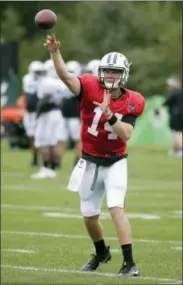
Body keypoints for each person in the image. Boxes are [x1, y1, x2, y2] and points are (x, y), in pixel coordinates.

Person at [44, 35, 145, 277]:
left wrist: (110, 115)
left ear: (124, 75)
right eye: (107, 71)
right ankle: (101, 253)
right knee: (89, 216)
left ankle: (129, 263)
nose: (110, 76)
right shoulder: (89, 86)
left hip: (115, 161)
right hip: (89, 161)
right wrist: (54, 53)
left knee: (116, 208)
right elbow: (66, 76)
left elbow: (126, 134)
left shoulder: (133, 101)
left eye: (115, 72)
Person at [155, 75, 182, 157]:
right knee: (179, 133)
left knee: (177, 133)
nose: (169, 86)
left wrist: (158, 109)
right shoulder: (180, 91)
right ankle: (175, 150)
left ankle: (180, 150)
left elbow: (165, 102)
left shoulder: (174, 92)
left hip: (176, 115)